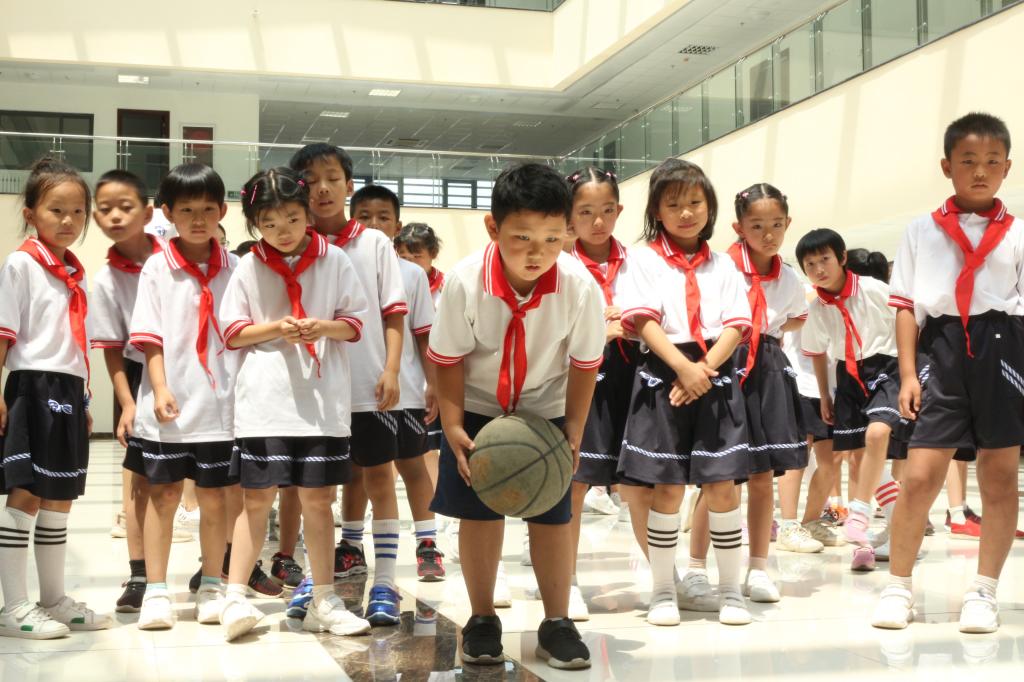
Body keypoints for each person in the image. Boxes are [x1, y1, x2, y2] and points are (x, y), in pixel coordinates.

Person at [428, 162, 604, 669]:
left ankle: (557, 622)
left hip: (546, 410)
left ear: (567, 232)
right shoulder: (464, 281)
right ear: (493, 227)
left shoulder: (579, 285)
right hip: (478, 407)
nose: (537, 253)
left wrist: (574, 428)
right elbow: (448, 359)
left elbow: (585, 363)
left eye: (551, 239)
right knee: (479, 514)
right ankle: (483, 619)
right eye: (521, 237)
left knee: (553, 515)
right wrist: (453, 425)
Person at [874, 112, 1022, 633]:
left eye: (992, 162)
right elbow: (905, 306)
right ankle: (898, 587)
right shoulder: (922, 230)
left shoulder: (1017, 232)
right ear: (947, 166)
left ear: (1007, 168)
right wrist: (907, 373)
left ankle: (984, 591)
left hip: (1003, 346)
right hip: (940, 349)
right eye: (968, 161)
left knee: (1000, 476)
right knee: (919, 476)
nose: (980, 171)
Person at [217, 167, 371, 641]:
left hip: (322, 404)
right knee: (256, 499)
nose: (282, 231)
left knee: (319, 501)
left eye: (291, 218)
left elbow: (355, 323)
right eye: (269, 223)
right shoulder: (249, 267)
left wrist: (322, 326)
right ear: (255, 226)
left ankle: (324, 598)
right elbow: (232, 332)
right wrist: (277, 329)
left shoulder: (335, 260)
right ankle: (234, 598)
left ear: (307, 214)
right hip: (266, 402)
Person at [616, 158, 753, 626]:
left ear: (710, 206)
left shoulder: (725, 264)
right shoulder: (642, 259)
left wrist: (704, 371)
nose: (686, 212)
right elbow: (642, 320)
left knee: (721, 487)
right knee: (668, 488)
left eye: (695, 202)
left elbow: (737, 324)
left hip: (714, 372)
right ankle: (662, 591)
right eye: (673, 204)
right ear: (657, 210)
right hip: (664, 372)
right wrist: (682, 368)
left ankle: (730, 590)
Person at [290, 144, 408, 626]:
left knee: (380, 478)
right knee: (314, 489)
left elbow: (393, 312)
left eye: (332, 178)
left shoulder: (374, 243)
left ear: (348, 186)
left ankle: (386, 581)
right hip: (312, 389)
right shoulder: (292, 243)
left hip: (367, 384)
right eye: (311, 179)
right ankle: (315, 579)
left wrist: (391, 369)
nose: (322, 188)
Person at [0, 158, 112, 639]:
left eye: (78, 211)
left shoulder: (75, 272)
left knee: (60, 495)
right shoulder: (21, 264)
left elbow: (77, 343)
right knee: (26, 492)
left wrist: (84, 400)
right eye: (56, 210)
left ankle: (53, 599)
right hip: (32, 385)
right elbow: (4, 332)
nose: (69, 220)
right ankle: (13, 607)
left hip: (67, 389)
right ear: (31, 213)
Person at [126, 163, 240, 630]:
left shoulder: (237, 269)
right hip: (168, 404)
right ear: (168, 213)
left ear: (222, 212)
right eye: (187, 210)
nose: (198, 219)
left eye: (208, 209)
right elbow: (149, 336)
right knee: (164, 495)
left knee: (214, 499)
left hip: (222, 406)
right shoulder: (157, 267)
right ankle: (156, 591)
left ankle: (212, 585)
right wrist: (159, 387)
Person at [90, 169, 192, 614]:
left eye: (125, 207)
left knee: (206, 474)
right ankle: (139, 574)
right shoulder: (105, 280)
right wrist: (128, 403)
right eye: (105, 209)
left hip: (186, 366)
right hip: (136, 374)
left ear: (149, 213)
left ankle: (220, 566)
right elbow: (113, 349)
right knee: (140, 480)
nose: (115, 216)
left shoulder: (175, 256)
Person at [350, 185, 445, 582]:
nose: (374, 224)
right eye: (365, 216)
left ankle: (428, 544)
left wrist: (432, 384)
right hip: (354, 392)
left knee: (412, 465)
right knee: (356, 469)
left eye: (383, 217)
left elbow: (423, 335)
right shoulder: (341, 265)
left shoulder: (411, 274)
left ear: (397, 225)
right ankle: (350, 546)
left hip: (404, 390)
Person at [797, 228, 904, 573]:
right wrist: (825, 393)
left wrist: (912, 373)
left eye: (825, 259)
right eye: (810, 264)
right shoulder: (817, 307)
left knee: (877, 435)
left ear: (842, 258)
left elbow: (907, 321)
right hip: (847, 375)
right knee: (858, 460)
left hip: (886, 366)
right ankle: (875, 539)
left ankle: (861, 511)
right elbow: (816, 351)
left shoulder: (874, 289)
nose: (819, 269)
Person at [562, 166, 638, 622]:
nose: (597, 222)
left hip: (633, 375)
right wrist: (597, 329)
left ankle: (664, 576)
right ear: (569, 215)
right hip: (578, 378)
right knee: (574, 482)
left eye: (607, 211)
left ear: (619, 211)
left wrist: (632, 319)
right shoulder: (560, 264)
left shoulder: (639, 262)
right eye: (585, 211)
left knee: (642, 483)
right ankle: (566, 581)